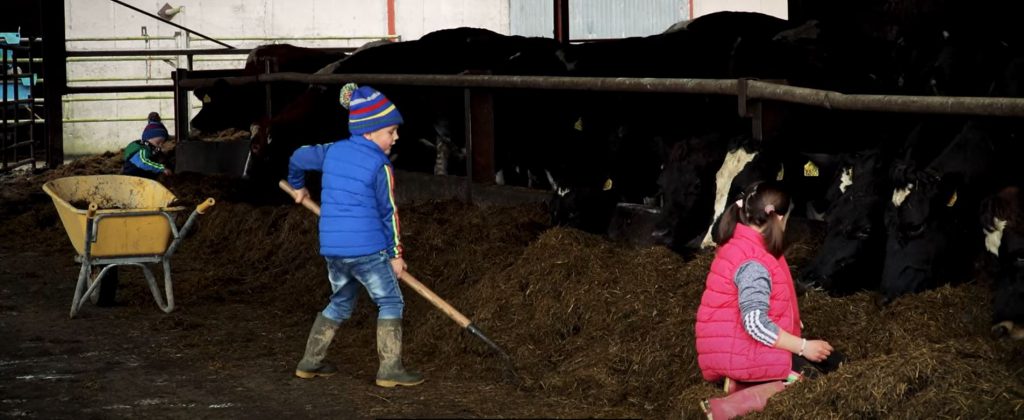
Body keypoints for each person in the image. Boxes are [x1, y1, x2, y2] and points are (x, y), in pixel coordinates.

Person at [287, 83, 423, 388]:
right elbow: (389, 214)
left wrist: (298, 186)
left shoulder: (332, 151)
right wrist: (396, 256)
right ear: (370, 132)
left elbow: (297, 157)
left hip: (334, 249)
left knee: (340, 301)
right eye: (391, 131)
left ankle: (310, 362)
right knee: (390, 301)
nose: (396, 137)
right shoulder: (380, 166)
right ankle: (390, 369)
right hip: (367, 250)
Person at [695, 180, 841, 419]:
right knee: (822, 386)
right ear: (780, 218)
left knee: (835, 363)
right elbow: (754, 322)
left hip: (730, 344)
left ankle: (746, 384)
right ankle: (732, 404)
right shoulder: (754, 262)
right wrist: (803, 346)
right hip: (737, 352)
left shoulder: (743, 243)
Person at [122, 112, 172, 179]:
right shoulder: (142, 149)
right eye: (158, 142)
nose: (160, 146)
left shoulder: (153, 150)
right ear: (147, 139)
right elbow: (143, 162)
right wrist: (162, 168)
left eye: (162, 143)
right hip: (131, 178)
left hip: (142, 178)